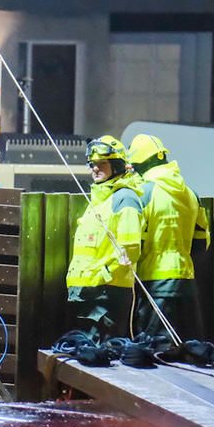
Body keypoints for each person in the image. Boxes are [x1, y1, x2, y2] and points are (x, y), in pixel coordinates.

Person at [64, 135, 147, 341]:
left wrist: (104, 275)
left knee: (104, 356)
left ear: (117, 165)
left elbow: (130, 249)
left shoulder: (124, 198)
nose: (95, 168)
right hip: (88, 293)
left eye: (102, 163)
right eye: (92, 164)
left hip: (106, 294)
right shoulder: (101, 200)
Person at [128, 133, 210, 338]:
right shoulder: (191, 193)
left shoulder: (142, 192)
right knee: (191, 350)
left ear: (139, 164)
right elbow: (202, 243)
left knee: (155, 350)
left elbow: (133, 241)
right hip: (186, 280)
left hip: (154, 281)